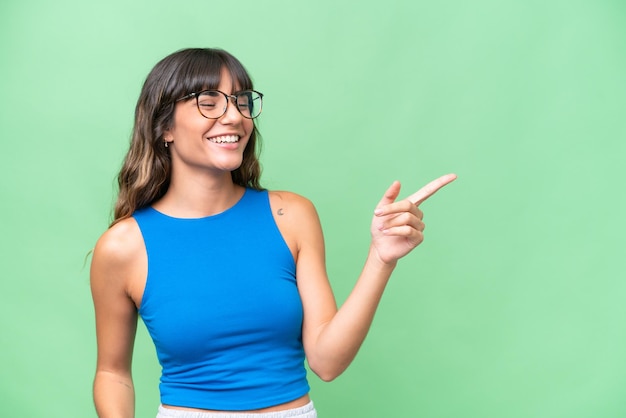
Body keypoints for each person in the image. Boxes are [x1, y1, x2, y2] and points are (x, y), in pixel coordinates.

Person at [90, 47, 456, 418]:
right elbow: (111, 372)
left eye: (241, 101)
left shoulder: (291, 216)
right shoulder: (123, 246)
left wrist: (381, 258)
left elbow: (327, 362)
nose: (234, 116)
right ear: (165, 127)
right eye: (209, 102)